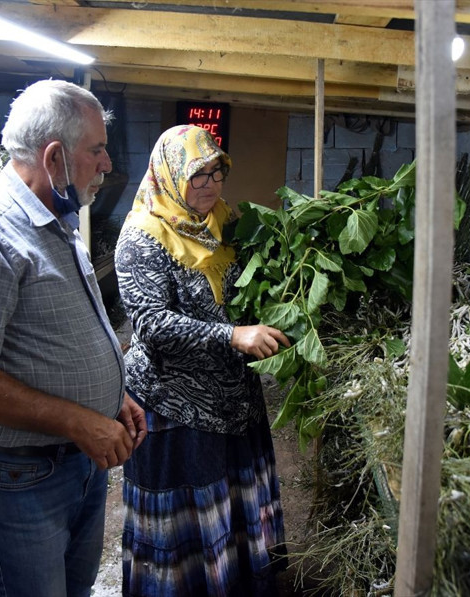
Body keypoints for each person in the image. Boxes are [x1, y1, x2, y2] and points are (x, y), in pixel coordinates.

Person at [0, 79, 147, 597]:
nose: (107, 165)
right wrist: (77, 418)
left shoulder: (53, 218)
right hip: (20, 477)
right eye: (96, 151)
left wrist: (112, 398)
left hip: (75, 458)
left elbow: (52, 333)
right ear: (53, 157)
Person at [115, 124, 290, 596]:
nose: (210, 184)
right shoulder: (142, 238)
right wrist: (233, 335)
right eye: (197, 175)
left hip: (234, 401)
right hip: (177, 410)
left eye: (217, 172)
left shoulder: (225, 223)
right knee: (188, 528)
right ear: (170, 175)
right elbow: (153, 326)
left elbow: (254, 283)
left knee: (232, 512)